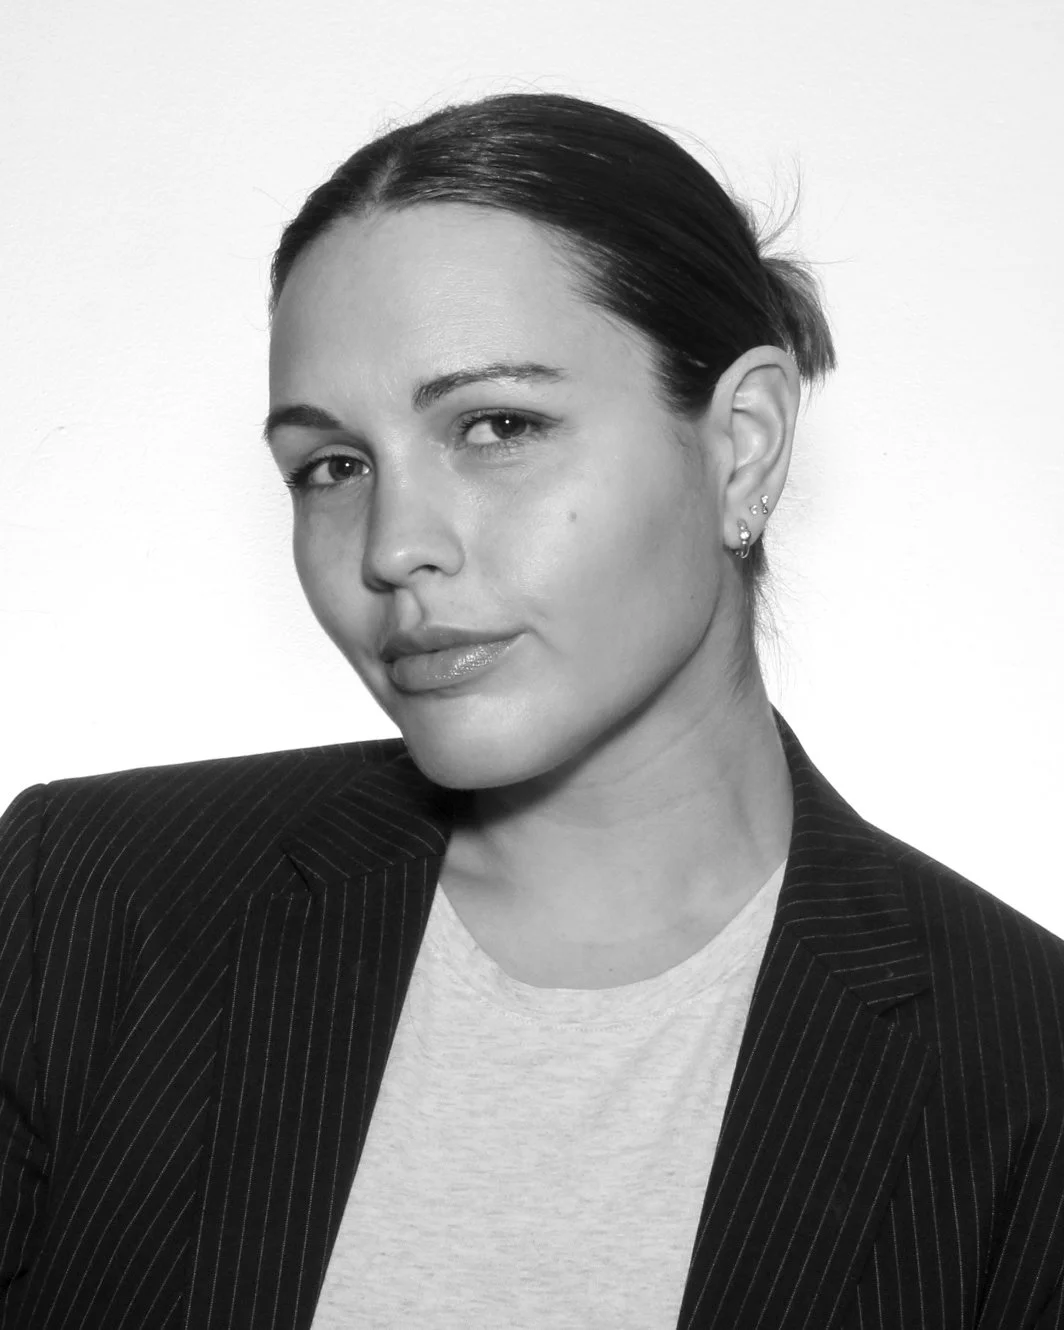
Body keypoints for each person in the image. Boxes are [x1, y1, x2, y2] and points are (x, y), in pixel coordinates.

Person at [1, 92, 1062, 1330]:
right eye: (332, 466)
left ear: (742, 444)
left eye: (497, 425)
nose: (392, 546)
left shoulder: (1022, 1065)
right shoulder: (91, 899)